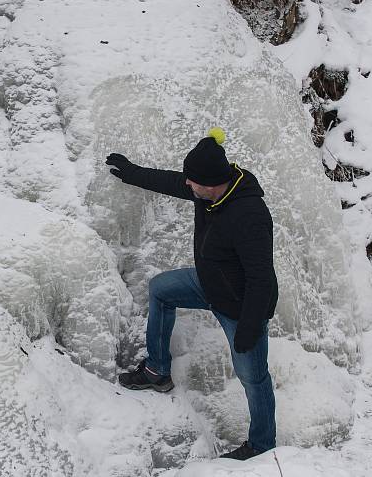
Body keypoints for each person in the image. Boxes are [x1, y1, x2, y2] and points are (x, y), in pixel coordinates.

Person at [105, 128, 277, 461]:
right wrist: (131, 173)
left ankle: (262, 445)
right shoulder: (210, 192)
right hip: (210, 283)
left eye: (192, 181)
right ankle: (157, 371)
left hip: (241, 307)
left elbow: (261, 279)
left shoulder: (250, 216)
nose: (187, 184)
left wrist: (250, 327)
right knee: (160, 290)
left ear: (210, 184)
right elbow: (173, 181)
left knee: (253, 377)